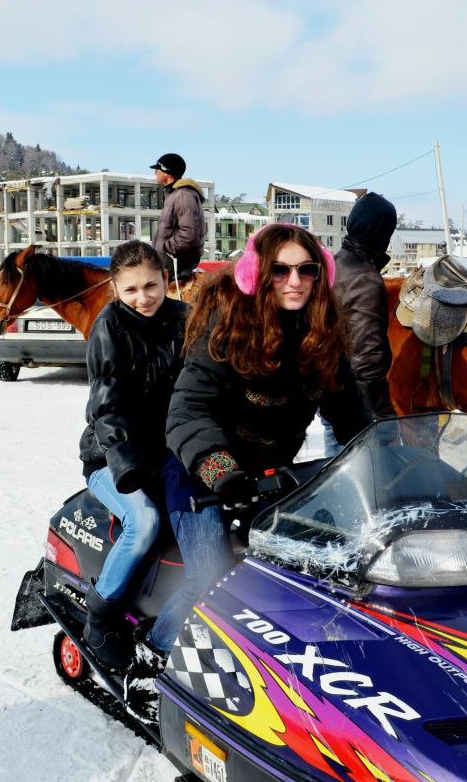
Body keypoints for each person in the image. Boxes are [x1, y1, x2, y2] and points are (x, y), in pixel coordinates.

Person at [130, 225, 369, 713]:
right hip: (202, 476)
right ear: (257, 274)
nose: (294, 281)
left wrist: (394, 460)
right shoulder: (227, 323)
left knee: (322, 567)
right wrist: (222, 471)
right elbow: (189, 411)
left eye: (305, 269)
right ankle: (150, 660)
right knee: (213, 575)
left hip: (271, 479)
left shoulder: (323, 337)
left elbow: (353, 416)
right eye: (280, 269)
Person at [78, 240, 190, 671]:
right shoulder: (109, 327)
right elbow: (107, 407)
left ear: (166, 279)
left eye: (151, 285)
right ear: (115, 289)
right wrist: (127, 468)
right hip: (111, 456)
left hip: (167, 450)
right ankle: (101, 611)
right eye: (131, 290)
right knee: (144, 521)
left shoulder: (183, 318)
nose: (143, 298)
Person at [334, 192, 400, 420]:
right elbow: (366, 360)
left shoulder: (334, 264)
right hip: (357, 401)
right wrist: (383, 416)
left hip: (333, 393)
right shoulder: (366, 281)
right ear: (381, 233)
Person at [149, 153, 207, 282]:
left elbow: (189, 233)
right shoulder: (176, 194)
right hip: (169, 261)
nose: (155, 172)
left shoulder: (183, 195)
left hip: (175, 262)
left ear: (166, 171)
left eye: (157, 168)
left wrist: (166, 247)